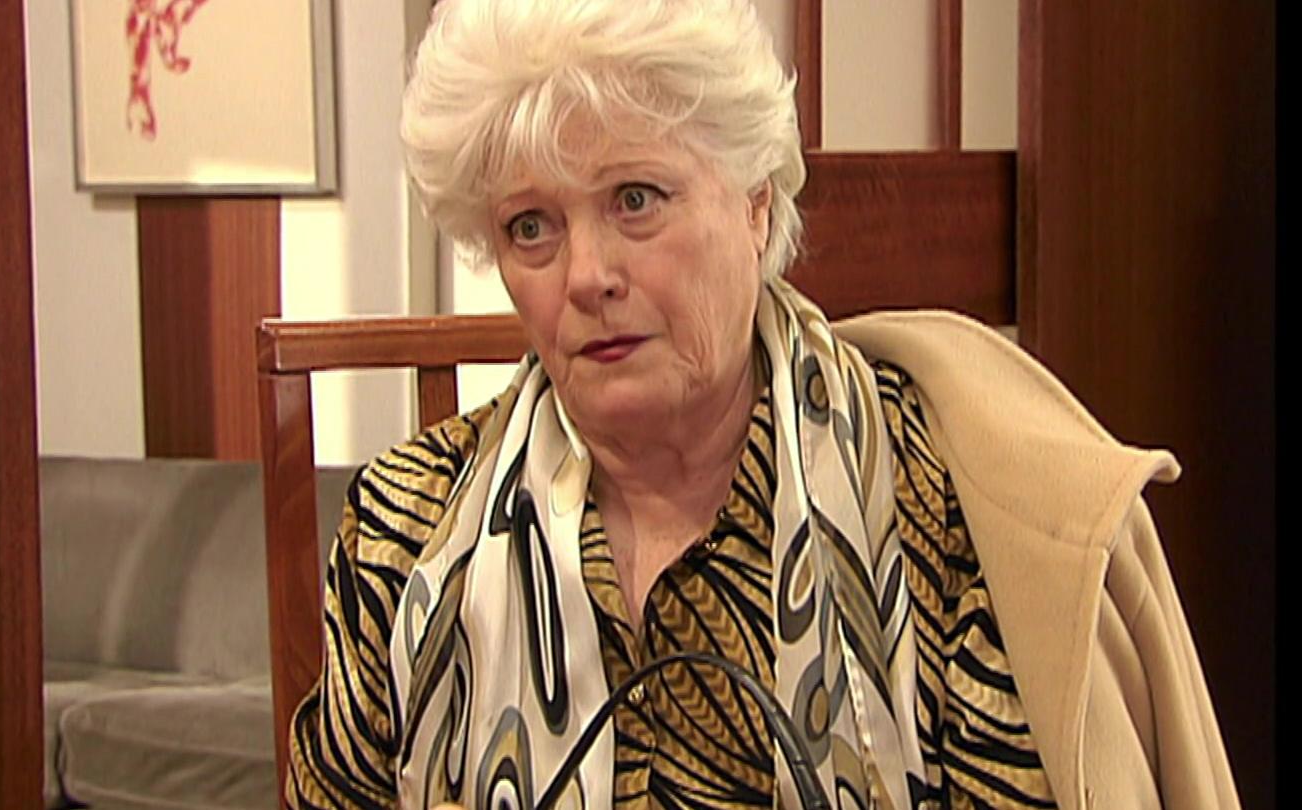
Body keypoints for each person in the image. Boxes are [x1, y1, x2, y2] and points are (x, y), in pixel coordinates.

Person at [285, 0, 1240, 807]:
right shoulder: (405, 533)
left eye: (635, 199)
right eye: (530, 226)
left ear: (754, 202)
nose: (585, 276)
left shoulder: (942, 503)